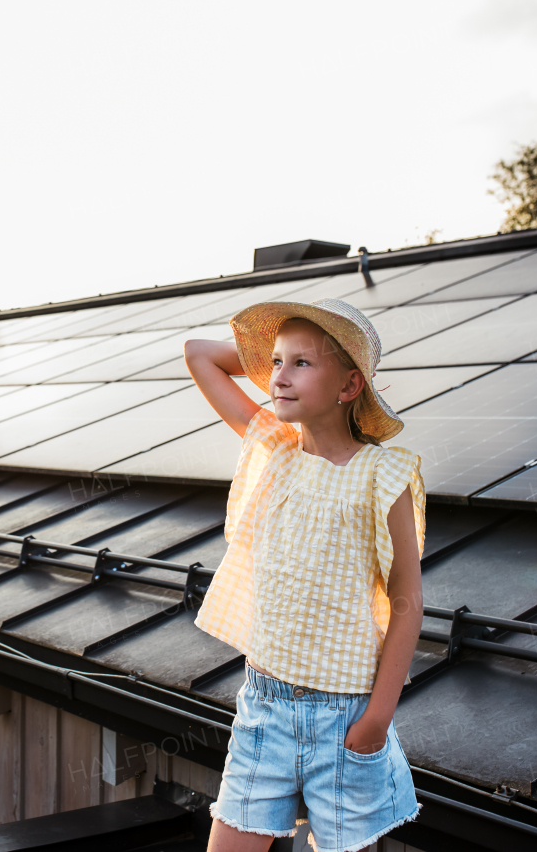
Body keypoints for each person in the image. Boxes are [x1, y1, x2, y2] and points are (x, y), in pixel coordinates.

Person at [183, 298, 425, 852]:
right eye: (274, 363)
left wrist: (376, 721)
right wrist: (284, 360)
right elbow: (200, 355)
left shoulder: (382, 475)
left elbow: (408, 600)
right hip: (263, 708)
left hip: (346, 719)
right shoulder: (273, 445)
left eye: (301, 364)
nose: (278, 378)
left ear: (348, 387)